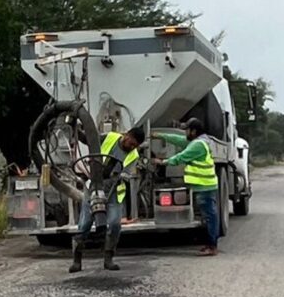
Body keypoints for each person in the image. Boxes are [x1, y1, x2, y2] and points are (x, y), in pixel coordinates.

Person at [70, 126, 145, 273]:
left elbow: (127, 172)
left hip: (114, 193)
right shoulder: (110, 137)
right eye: (131, 143)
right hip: (94, 188)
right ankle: (77, 260)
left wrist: (124, 176)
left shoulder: (134, 155)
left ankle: (108, 258)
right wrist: (76, 129)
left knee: (115, 224)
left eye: (135, 146)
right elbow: (89, 139)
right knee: (84, 224)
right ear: (126, 135)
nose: (132, 147)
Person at [151, 117, 220, 256]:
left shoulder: (198, 145)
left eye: (187, 130)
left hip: (204, 186)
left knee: (209, 217)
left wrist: (161, 162)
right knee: (209, 216)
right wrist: (160, 135)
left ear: (193, 131)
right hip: (204, 186)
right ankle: (210, 244)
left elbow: (181, 157)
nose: (185, 133)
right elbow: (178, 139)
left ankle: (212, 246)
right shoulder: (200, 141)